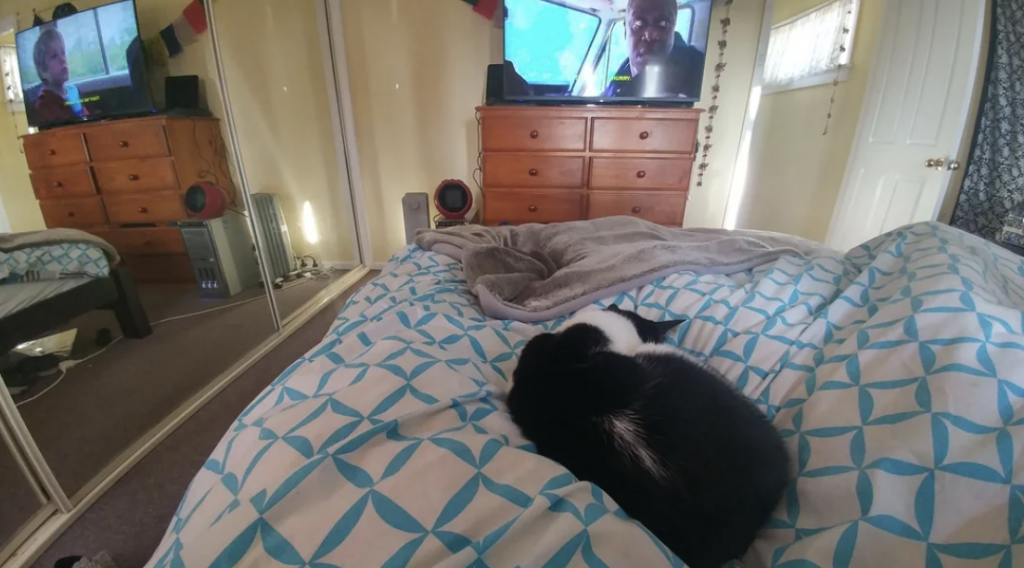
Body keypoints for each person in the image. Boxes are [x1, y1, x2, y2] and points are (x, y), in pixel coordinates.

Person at [604, 0, 706, 99]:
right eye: (639, 24)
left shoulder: (699, 72)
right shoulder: (622, 74)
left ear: (673, 30)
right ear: (625, 30)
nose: (650, 35)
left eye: (663, 24)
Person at [33, 27, 88, 124]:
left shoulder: (73, 90)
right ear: (42, 69)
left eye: (63, 53)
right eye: (54, 56)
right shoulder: (44, 104)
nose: (63, 60)